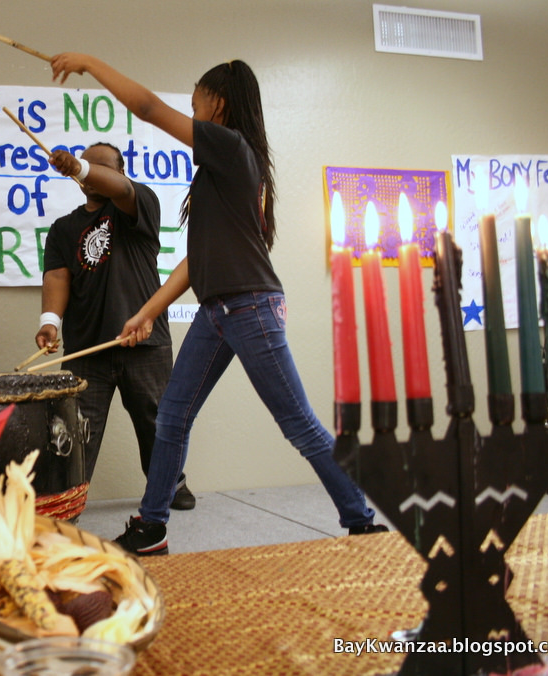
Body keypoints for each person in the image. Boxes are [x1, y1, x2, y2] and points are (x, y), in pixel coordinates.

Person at [50, 55, 386, 555]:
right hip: (216, 313)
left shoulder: (231, 147)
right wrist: (146, 311)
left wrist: (89, 63)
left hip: (250, 308)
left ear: (219, 104)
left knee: (297, 423)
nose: (190, 111)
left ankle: (361, 521)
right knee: (172, 417)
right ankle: (152, 526)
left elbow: (144, 106)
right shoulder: (215, 171)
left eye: (195, 103)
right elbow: (195, 261)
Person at [38, 143, 195, 510]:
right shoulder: (63, 228)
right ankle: (68, 496)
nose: (93, 172)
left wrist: (79, 166)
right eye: (88, 167)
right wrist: (49, 322)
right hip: (86, 350)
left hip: (145, 343)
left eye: (102, 167)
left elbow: (120, 190)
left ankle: (172, 483)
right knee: (75, 430)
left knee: (157, 422)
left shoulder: (138, 204)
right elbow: (57, 277)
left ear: (120, 172)